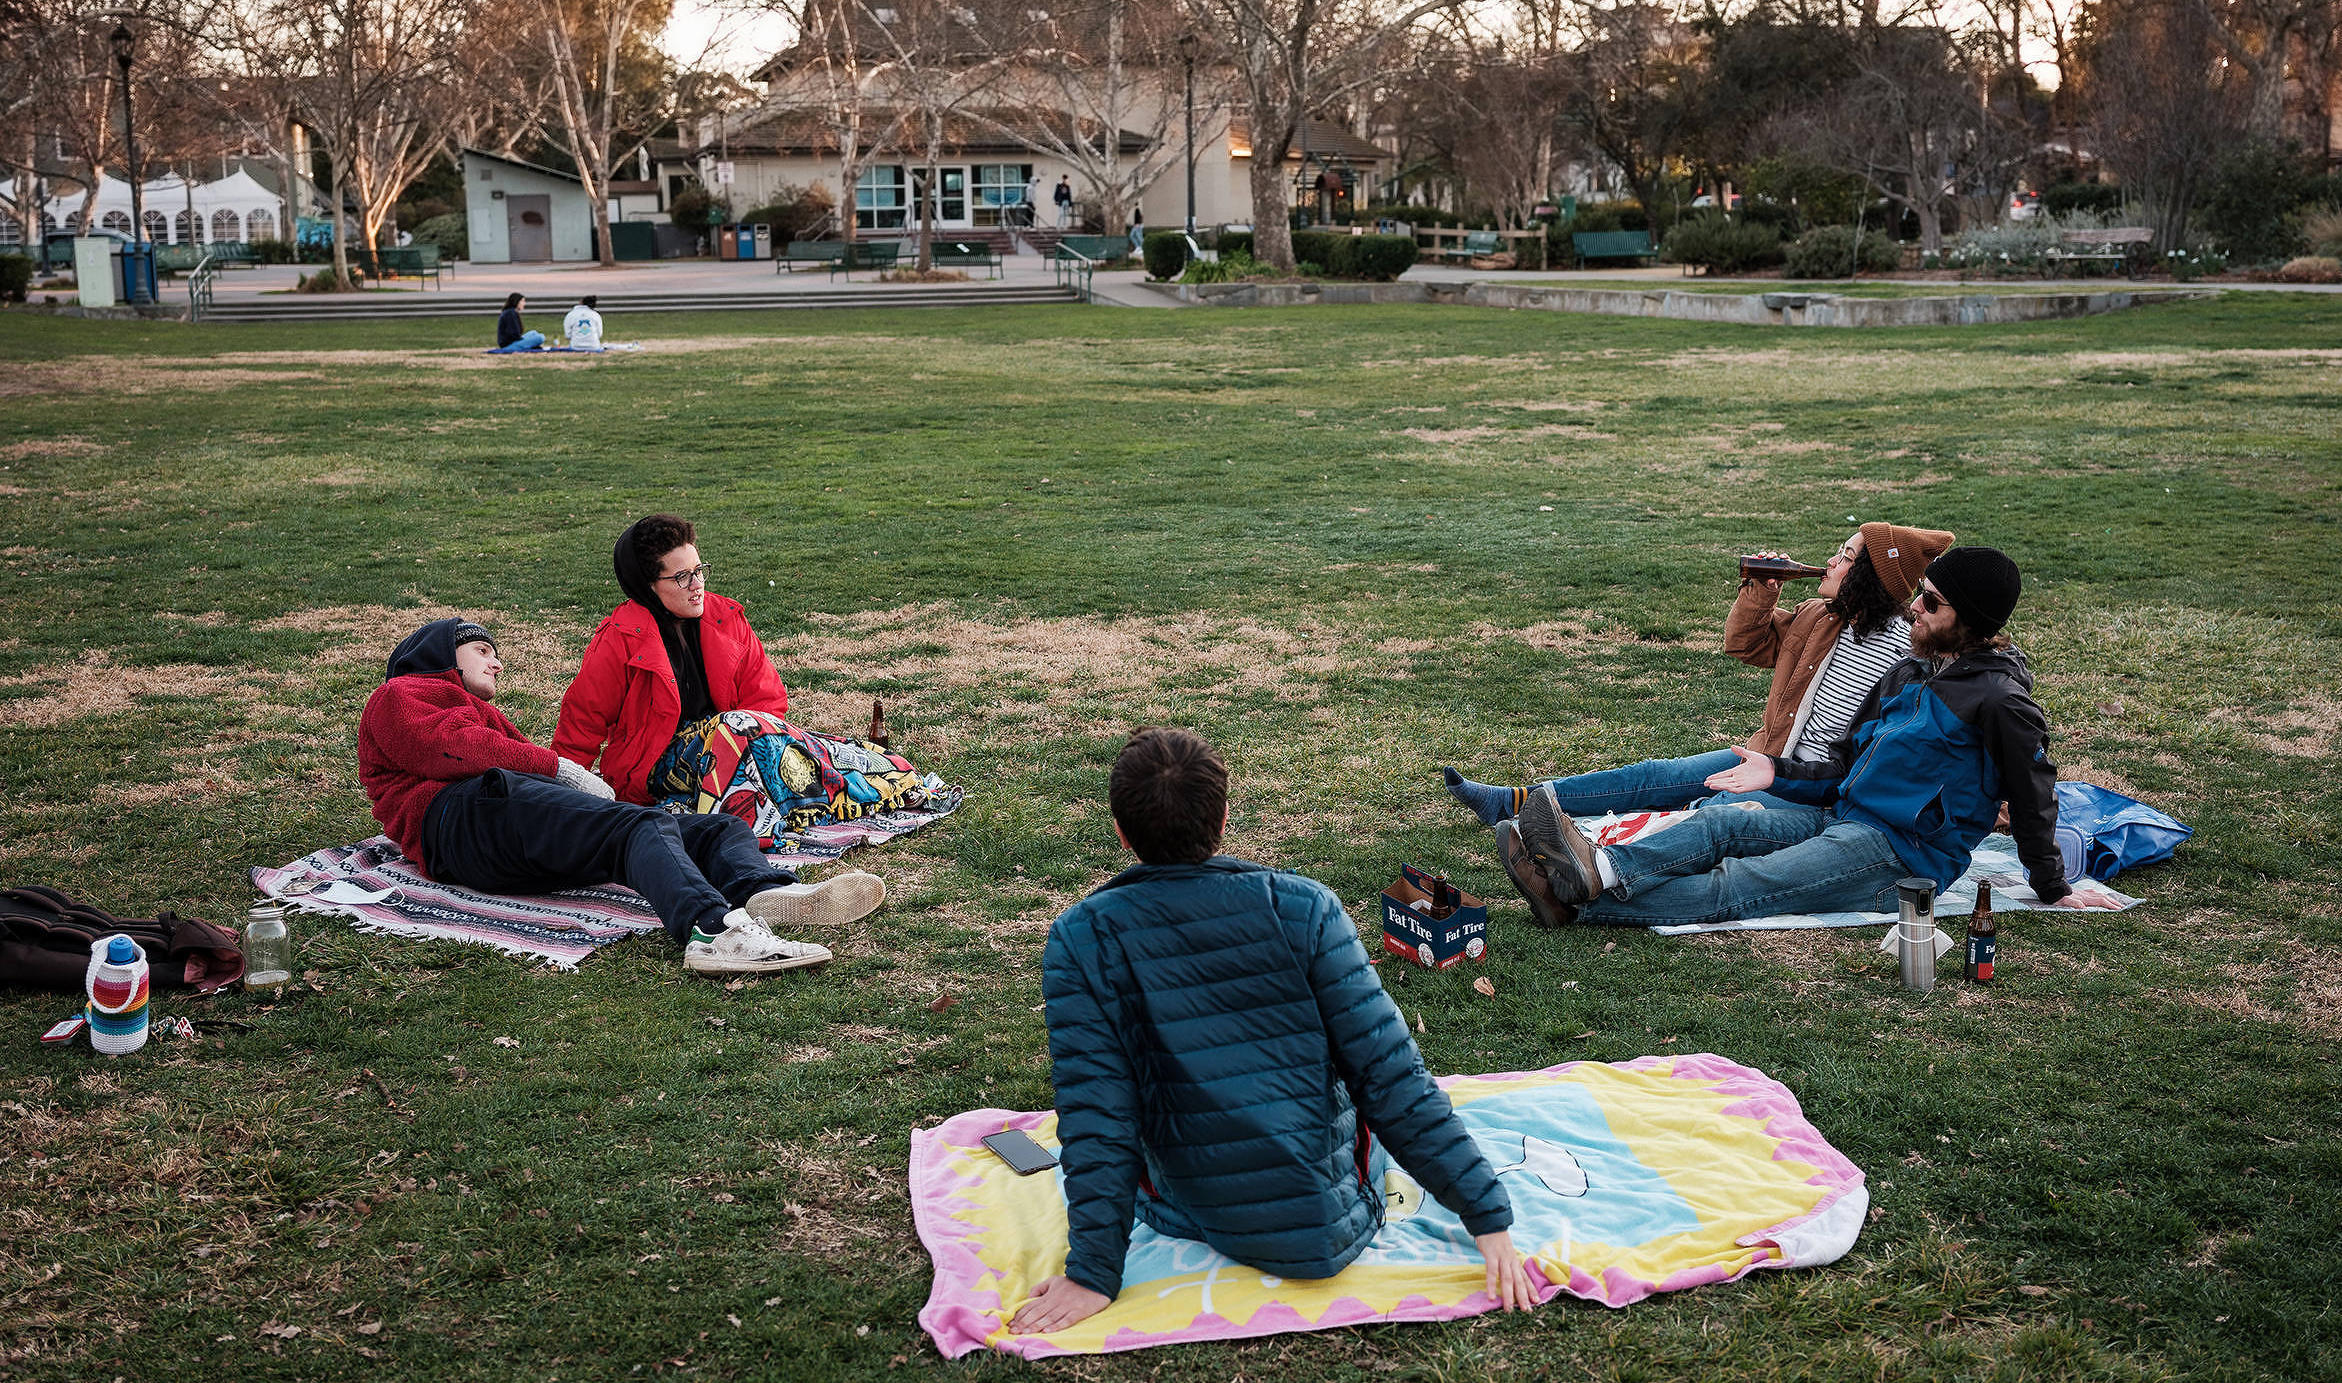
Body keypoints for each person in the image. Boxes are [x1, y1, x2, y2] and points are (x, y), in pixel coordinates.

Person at [1011, 727, 1535, 1336]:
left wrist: (1093, 1274)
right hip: (1331, 1215)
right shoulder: (1305, 908)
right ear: (1225, 816)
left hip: (1190, 1207)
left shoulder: (1080, 937)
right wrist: (1487, 1217)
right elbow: (1391, 1078)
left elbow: (1097, 1113)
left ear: (1121, 832)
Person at [1508, 547, 2120, 928]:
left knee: (1741, 887)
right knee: (1727, 823)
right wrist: (1778, 775)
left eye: (1931, 604)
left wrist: (2053, 886)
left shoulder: (1999, 700)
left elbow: (2034, 792)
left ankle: (1580, 903)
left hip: (1902, 859)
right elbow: (1848, 766)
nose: (1915, 610)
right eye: (1921, 596)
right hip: (1843, 815)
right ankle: (1602, 869)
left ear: (1973, 621)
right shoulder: (1911, 671)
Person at [1442, 523, 1953, 923]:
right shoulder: (1822, 617)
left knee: (1714, 813)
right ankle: (1518, 800)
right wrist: (1760, 590)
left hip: (1814, 786)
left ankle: (1588, 875)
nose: (1830, 561)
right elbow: (1747, 645)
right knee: (1655, 775)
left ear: (1872, 576)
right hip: (1773, 754)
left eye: (1845, 556)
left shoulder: (1912, 656)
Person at [356, 617, 835, 975]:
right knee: (640, 825)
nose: (496, 662)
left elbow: (507, 765)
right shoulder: (401, 693)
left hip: (503, 830)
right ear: (441, 653)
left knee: (717, 828)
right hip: (458, 822)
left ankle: (760, 891)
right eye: (482, 650)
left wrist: (580, 797)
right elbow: (451, 749)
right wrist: (562, 768)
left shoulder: (476, 711)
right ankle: (711, 931)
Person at [553, 515, 927, 879]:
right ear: (647, 585)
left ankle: (883, 785)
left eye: (699, 570)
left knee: (815, 751)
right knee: (739, 731)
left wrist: (765, 750)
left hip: (741, 744)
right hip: (657, 763)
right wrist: (567, 803)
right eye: (681, 577)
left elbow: (767, 700)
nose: (696, 584)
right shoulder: (620, 637)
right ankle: (742, 851)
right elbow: (582, 718)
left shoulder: (725, 617)